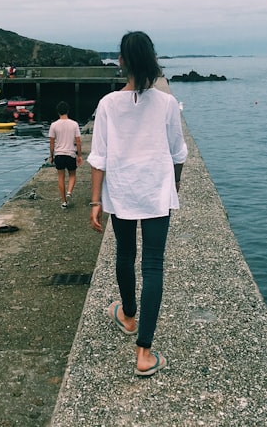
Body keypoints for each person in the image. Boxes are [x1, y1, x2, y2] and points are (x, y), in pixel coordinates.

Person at [88, 31, 187, 377]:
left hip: (122, 191)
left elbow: (98, 158)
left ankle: (128, 316)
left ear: (122, 62)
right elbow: (178, 153)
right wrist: (173, 186)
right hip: (157, 192)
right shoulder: (167, 103)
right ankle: (143, 354)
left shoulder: (108, 104)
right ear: (152, 59)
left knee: (125, 255)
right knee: (154, 266)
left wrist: (94, 202)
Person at [49, 101, 82, 208]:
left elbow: (52, 142)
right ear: (68, 111)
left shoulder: (54, 125)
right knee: (72, 175)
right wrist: (80, 155)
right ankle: (69, 192)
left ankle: (63, 202)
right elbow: (78, 141)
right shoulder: (74, 124)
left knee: (60, 178)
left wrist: (51, 155)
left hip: (59, 154)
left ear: (57, 112)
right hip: (71, 153)